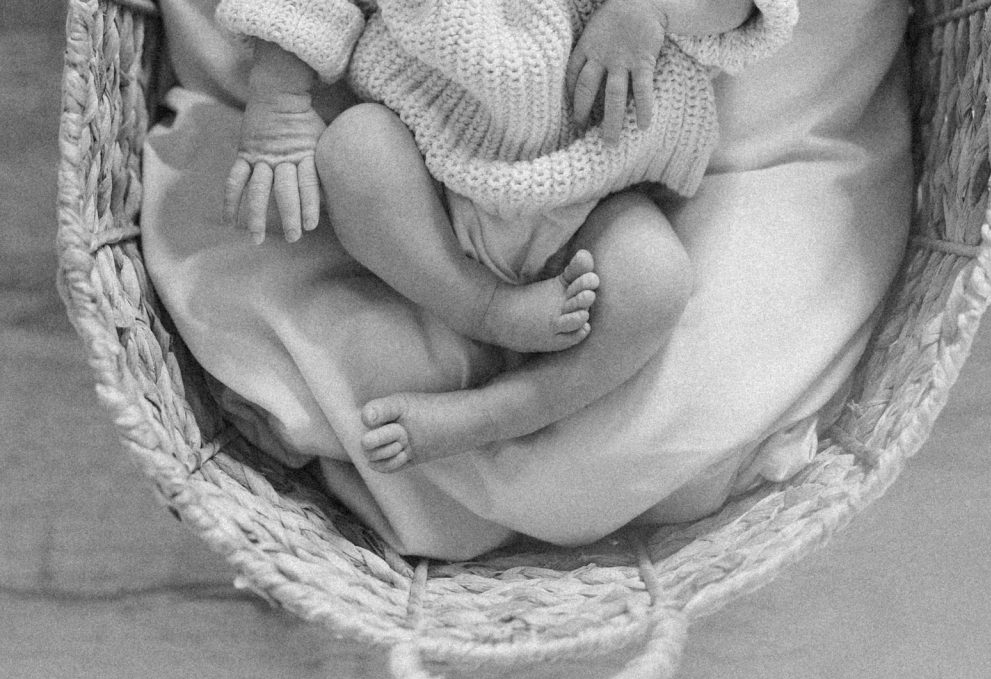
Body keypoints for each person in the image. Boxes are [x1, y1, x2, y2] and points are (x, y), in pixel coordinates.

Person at [217, 0, 798, 473]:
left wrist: (651, 12)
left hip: (595, 190)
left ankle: (496, 414)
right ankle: (482, 308)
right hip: (429, 164)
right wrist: (279, 103)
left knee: (656, 282)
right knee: (353, 149)